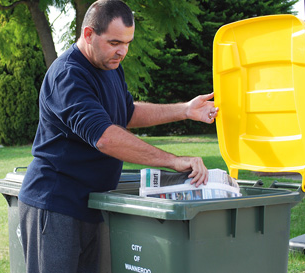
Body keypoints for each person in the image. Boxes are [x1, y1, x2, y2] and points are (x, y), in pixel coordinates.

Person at [18, 0, 218, 272]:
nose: (122, 51)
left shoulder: (110, 66)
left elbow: (126, 112)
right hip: (55, 205)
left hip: (91, 204)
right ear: (88, 34)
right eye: (114, 42)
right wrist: (172, 161)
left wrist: (185, 110)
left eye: (127, 43)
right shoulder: (68, 75)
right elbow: (105, 137)